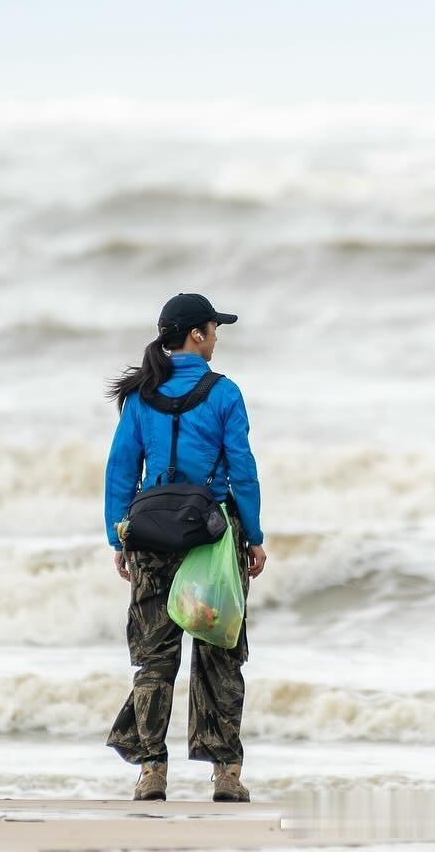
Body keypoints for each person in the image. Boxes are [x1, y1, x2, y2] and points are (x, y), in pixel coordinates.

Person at [102, 293, 267, 803]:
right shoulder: (224, 393)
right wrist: (255, 537)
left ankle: (152, 771)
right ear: (196, 334)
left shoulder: (141, 395)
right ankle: (225, 775)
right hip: (211, 538)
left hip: (150, 536)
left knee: (154, 659)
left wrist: (119, 535)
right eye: (214, 329)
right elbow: (241, 467)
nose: (216, 338)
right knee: (219, 652)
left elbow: (121, 471)